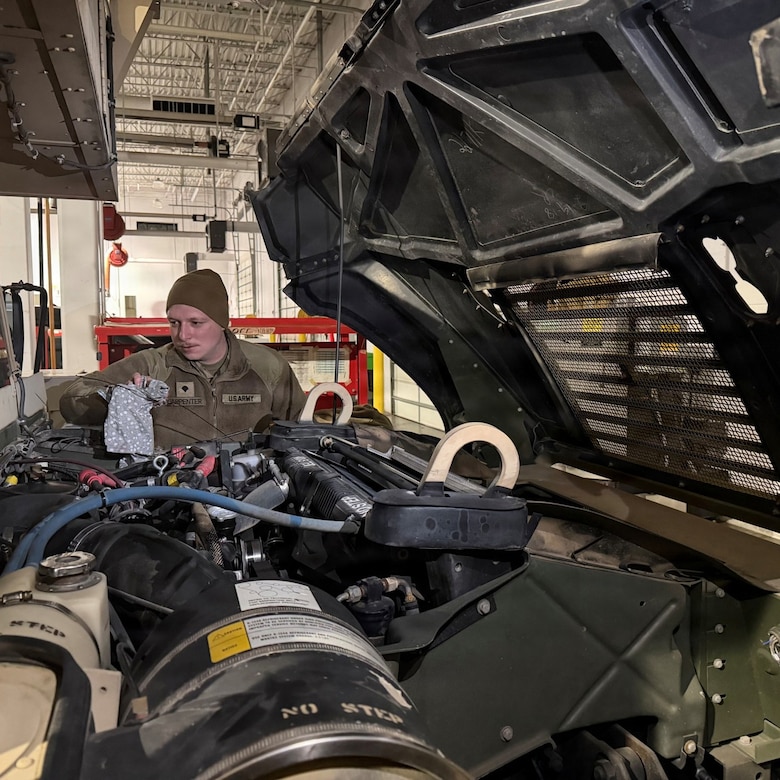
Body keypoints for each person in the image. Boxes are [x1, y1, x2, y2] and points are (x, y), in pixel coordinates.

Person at [60, 269, 306, 450]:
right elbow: (72, 400)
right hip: (170, 492)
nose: (183, 335)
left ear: (221, 321)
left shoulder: (268, 368)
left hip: (250, 492)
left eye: (196, 323)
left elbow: (302, 431)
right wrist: (117, 397)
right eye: (174, 323)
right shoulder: (154, 365)